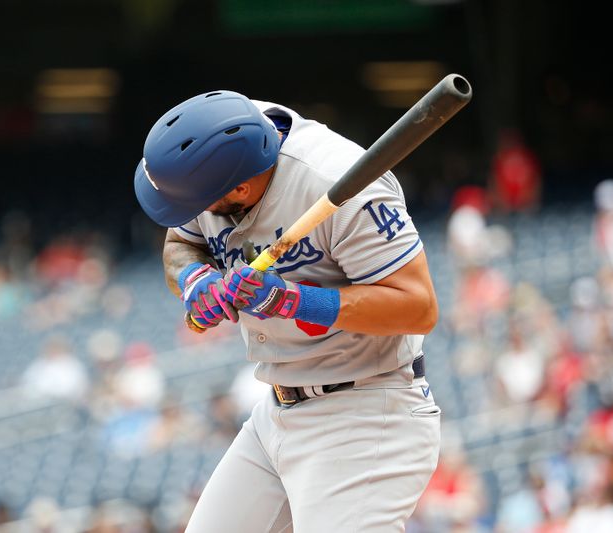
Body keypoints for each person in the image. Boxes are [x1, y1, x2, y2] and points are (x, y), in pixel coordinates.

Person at [134, 90, 441, 531]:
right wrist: (194, 280)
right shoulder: (217, 153)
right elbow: (181, 241)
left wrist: (292, 300)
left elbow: (418, 306)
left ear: (240, 188)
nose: (189, 214)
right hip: (275, 412)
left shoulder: (343, 183)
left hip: (365, 413)